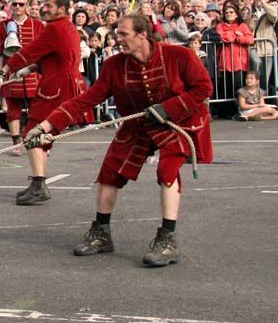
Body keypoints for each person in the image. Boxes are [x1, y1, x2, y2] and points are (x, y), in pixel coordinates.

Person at [24, 14, 213, 267]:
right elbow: (86, 100)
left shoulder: (180, 57)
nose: (117, 38)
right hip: (138, 124)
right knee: (110, 172)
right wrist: (45, 125)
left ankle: (167, 240)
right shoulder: (114, 65)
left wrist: (169, 108)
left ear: (142, 34)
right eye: (117, 34)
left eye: (123, 34)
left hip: (177, 122)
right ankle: (101, 233)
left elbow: (203, 89)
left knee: (167, 170)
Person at [0, 0, 84, 205]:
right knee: (42, 134)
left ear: (62, 8)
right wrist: (31, 69)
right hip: (65, 84)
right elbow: (57, 57)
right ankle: (37, 181)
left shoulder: (55, 28)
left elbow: (29, 51)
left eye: (49, 6)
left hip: (55, 87)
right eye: (44, 5)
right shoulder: (67, 27)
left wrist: (3, 72)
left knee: (32, 132)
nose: (44, 9)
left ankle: (38, 184)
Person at [0, 0, 44, 150]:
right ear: (11, 5)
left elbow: (42, 48)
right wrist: (8, 42)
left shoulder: (37, 25)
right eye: (15, 4)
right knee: (13, 109)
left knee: (36, 109)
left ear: (27, 6)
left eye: (21, 4)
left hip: (32, 72)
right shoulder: (2, 25)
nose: (18, 7)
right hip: (11, 70)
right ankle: (16, 142)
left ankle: (37, 141)